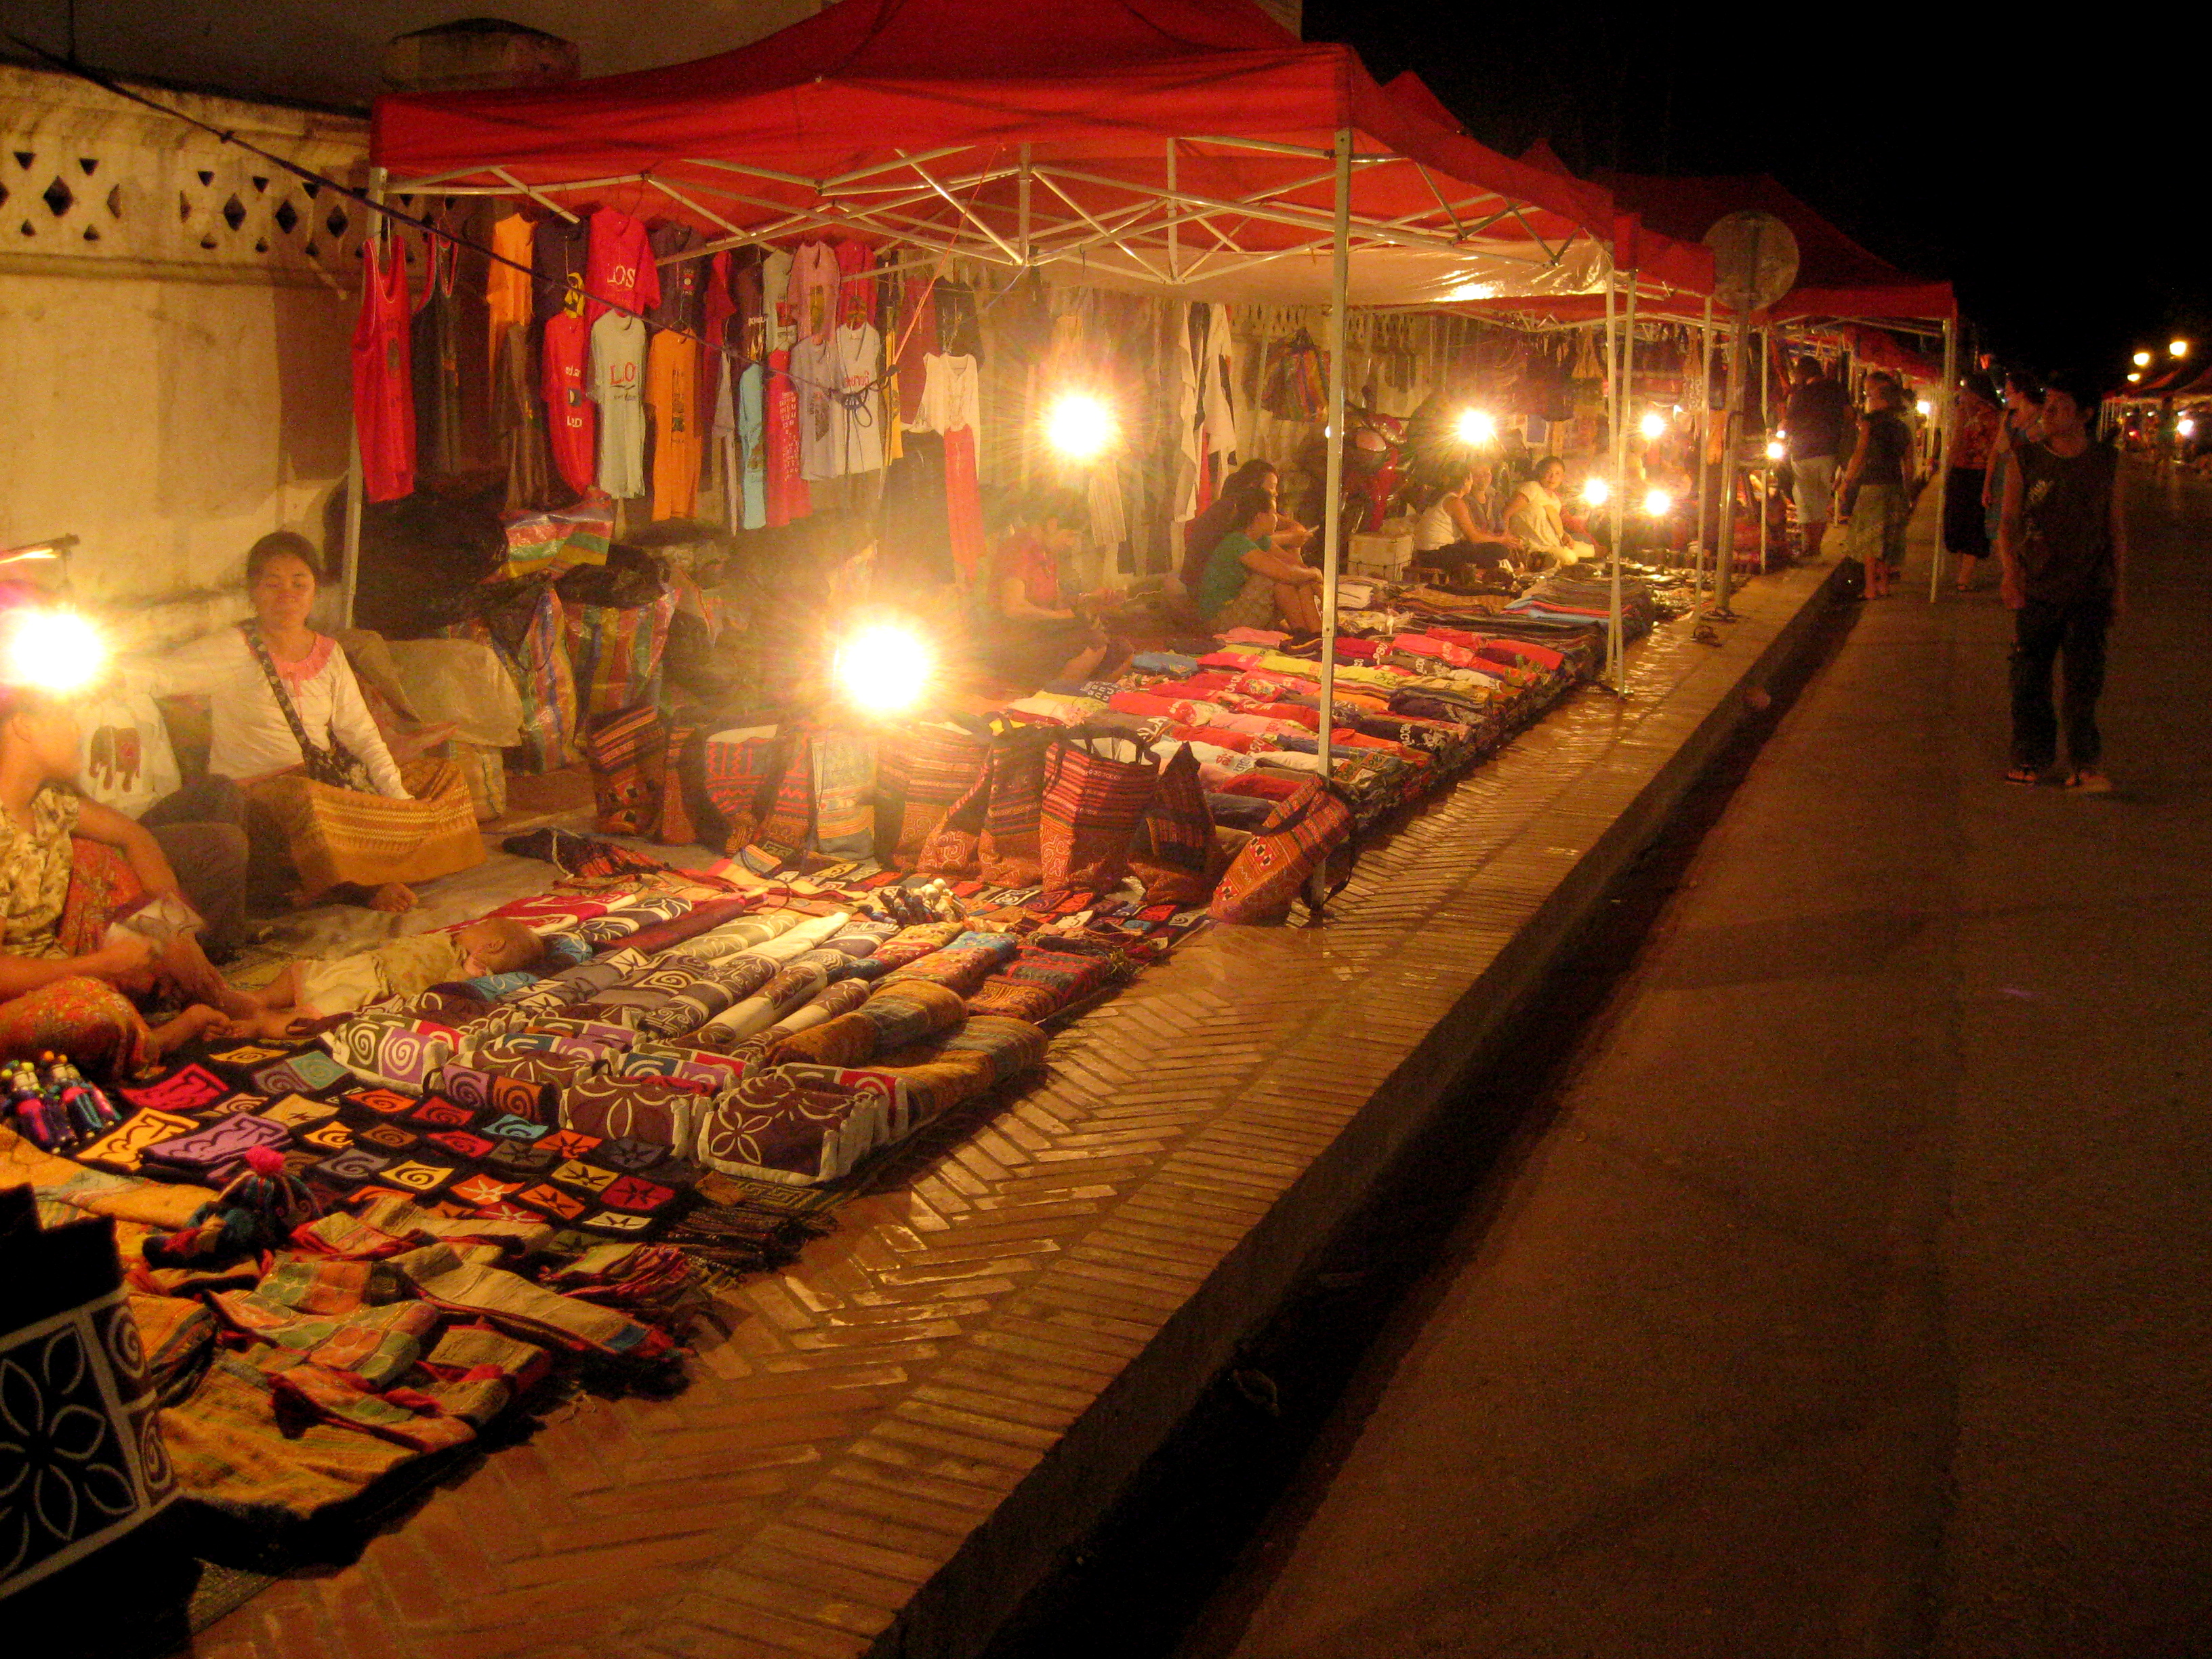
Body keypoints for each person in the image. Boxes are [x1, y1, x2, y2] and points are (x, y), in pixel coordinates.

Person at [141, 533, 484, 914]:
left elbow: (361, 734)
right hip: (259, 790)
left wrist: (396, 792)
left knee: (443, 777)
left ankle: (390, 865)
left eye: (298, 583)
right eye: (272, 584)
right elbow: (159, 674)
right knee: (313, 802)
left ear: (314, 590)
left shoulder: (330, 652)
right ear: (252, 593)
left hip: (325, 776)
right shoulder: (231, 648)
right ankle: (361, 884)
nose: (286, 594)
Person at [0, 682, 248, 1077]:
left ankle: (211, 990)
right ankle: (157, 1039)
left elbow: (136, 836)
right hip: (22, 995)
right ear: (24, 726)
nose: (78, 731)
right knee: (92, 1014)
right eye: (64, 718)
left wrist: (176, 931)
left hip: (62, 972)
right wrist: (99, 964)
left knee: (105, 861)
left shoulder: (49, 808)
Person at [1997, 368, 2125, 791]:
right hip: (2037, 583)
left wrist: (2118, 589)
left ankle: (2085, 762)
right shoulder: (2026, 457)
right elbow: (2009, 521)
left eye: (2060, 407)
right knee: (2029, 676)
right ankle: (2031, 754)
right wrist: (2010, 574)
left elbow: (2115, 528)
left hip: (2089, 585)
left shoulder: (2106, 462)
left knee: (2084, 680)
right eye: (2047, 406)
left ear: (2085, 414)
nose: (2048, 414)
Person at [248, 915, 545, 1036]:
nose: (471, 926)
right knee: (302, 972)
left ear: (492, 945)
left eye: (481, 926)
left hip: (374, 985)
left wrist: (466, 971)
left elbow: (447, 990)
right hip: (365, 963)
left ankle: (264, 1025)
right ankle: (258, 999)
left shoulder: (468, 966)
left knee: (320, 1012)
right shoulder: (450, 941)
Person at [985, 491, 1128, 686]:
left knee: (1122, 650)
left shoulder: (1047, 552)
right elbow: (1013, 608)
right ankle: (1054, 700)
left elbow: (1057, 602)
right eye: (1069, 535)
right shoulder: (1018, 549)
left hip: (1043, 636)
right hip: (1014, 642)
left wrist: (1089, 600)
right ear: (1052, 524)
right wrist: (1064, 617)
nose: (1070, 543)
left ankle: (1086, 699)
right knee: (1092, 642)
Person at [1195, 486, 1324, 636]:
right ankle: (1305, 634)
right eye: (1274, 513)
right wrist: (1314, 574)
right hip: (1221, 620)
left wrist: (1318, 584)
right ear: (1259, 516)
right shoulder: (1237, 542)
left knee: (1301, 576)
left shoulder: (1261, 540)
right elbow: (1287, 574)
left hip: (1245, 611)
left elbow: (1296, 566)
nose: (1277, 519)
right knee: (1275, 577)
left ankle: (1315, 632)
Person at [1179, 459, 1309, 599]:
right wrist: (1289, 538)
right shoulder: (1232, 509)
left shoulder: (1258, 509)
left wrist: (1292, 539)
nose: (1276, 494)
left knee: (1292, 558)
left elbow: (1297, 529)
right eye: (1272, 488)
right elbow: (1244, 544)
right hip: (1205, 587)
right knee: (1281, 579)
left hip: (1229, 576)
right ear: (1253, 487)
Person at [1835, 375, 1914, 597]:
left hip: (1872, 484)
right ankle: (1884, 584)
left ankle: (1870, 587)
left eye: (1869, 396)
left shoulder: (1870, 423)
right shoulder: (1902, 426)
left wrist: (1846, 482)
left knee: (1870, 538)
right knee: (1888, 535)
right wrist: (1908, 491)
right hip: (1895, 485)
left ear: (1879, 399)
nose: (1867, 399)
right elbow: (1909, 463)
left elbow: (1860, 453)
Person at [1782, 356, 1853, 555]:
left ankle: (1808, 546)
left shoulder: (1801, 394)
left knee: (1805, 500)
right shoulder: (1838, 390)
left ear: (1802, 373)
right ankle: (1816, 546)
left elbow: (1788, 423)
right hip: (1829, 452)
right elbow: (1849, 416)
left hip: (1803, 452)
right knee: (1822, 501)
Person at [1409, 461, 1525, 580]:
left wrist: (1502, 540)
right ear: (1465, 480)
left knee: (1494, 548)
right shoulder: (1455, 502)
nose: (1472, 482)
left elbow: (1472, 534)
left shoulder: (1446, 498)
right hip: (1436, 554)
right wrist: (1502, 540)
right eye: (1472, 478)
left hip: (1434, 552)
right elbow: (1474, 537)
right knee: (1498, 551)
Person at [1945, 371, 2005, 590]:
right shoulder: (1966, 413)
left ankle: (1965, 576)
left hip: (1978, 473)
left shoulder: (1990, 416)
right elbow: (1955, 443)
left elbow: (1991, 450)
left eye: (1966, 390)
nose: (1962, 394)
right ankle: (1962, 572)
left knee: (1972, 523)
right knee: (1957, 522)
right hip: (1961, 471)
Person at [1983, 370, 2045, 558]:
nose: (2006, 396)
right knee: (1998, 534)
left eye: (2009, 392)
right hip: (2003, 477)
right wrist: (1987, 485)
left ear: (2022, 393)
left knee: (2020, 532)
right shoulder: (2009, 418)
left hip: (2026, 480)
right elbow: (1996, 451)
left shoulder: (2042, 418)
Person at [1504, 456, 1595, 569]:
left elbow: (1552, 525)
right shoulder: (1531, 488)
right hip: (1534, 547)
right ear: (1540, 473)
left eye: (1558, 474)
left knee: (1591, 552)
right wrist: (1506, 537)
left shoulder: (1555, 500)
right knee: (1569, 558)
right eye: (1549, 472)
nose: (1553, 478)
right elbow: (1506, 513)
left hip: (1554, 543)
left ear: (1562, 477)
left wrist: (1565, 536)